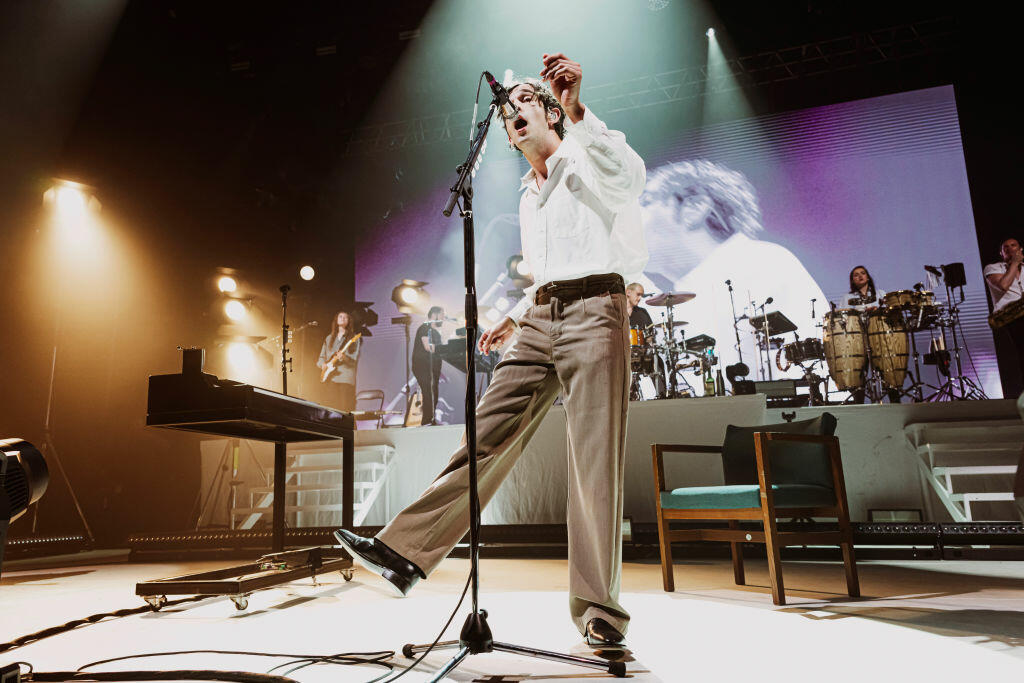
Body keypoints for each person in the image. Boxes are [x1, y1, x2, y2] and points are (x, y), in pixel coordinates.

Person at [334, 52, 646, 650]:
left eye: (524, 101)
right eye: (506, 113)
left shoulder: (587, 151)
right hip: (543, 315)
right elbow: (548, 271)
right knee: (483, 436)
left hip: (596, 309)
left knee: (593, 465)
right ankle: (405, 552)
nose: (512, 114)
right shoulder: (528, 196)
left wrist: (579, 111)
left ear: (550, 111)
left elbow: (631, 180)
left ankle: (600, 611)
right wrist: (517, 315)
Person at [640, 160, 826, 383]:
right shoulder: (675, 298)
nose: (629, 218)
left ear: (694, 208)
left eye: (646, 202)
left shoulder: (765, 263)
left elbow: (810, 370)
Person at [984, 237, 1024, 380]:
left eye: (1013, 245)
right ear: (1001, 253)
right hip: (1011, 315)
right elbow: (1003, 285)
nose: (1010, 249)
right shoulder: (993, 268)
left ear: (1020, 249)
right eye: (1005, 247)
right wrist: (1015, 263)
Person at [316, 310, 361, 411]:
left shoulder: (353, 338)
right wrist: (323, 365)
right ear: (336, 320)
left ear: (349, 321)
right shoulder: (329, 338)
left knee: (344, 409)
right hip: (331, 378)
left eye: (345, 317)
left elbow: (353, 360)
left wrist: (343, 358)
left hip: (345, 379)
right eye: (340, 316)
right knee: (331, 409)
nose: (343, 318)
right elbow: (321, 358)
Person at [411, 306, 445, 426]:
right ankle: (427, 421)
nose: (443, 318)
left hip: (432, 368)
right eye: (442, 315)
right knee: (428, 392)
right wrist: (446, 349)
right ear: (434, 315)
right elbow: (428, 347)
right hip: (422, 366)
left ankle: (430, 420)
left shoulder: (436, 332)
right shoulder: (425, 328)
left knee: (433, 393)